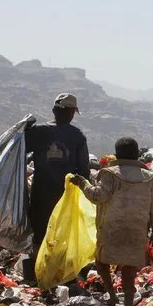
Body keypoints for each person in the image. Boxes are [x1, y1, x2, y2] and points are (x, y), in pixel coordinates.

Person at [71, 137, 153, 306]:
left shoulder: (110, 174)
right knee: (129, 267)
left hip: (112, 228)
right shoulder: (150, 178)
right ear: (136, 155)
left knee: (102, 261)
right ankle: (128, 301)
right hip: (137, 230)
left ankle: (112, 295)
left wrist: (83, 183)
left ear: (117, 154)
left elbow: (97, 196)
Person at [24, 93, 90, 284]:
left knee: (39, 233)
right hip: (65, 196)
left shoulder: (38, 132)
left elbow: (17, 151)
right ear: (71, 113)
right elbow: (83, 171)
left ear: (54, 110)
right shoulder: (77, 136)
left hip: (40, 192)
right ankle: (62, 276)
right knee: (63, 234)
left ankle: (37, 277)